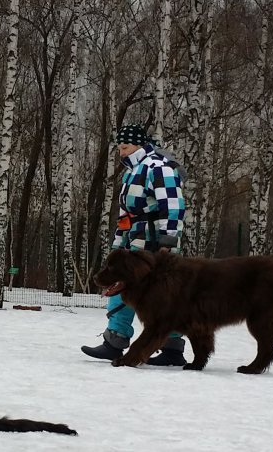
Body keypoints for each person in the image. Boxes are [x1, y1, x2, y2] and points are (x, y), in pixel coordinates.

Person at [81, 124, 187, 366]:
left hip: (154, 244)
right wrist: (118, 244)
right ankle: (116, 341)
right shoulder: (133, 170)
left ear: (139, 144)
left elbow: (173, 206)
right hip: (134, 240)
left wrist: (168, 242)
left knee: (162, 296)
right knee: (123, 287)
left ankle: (169, 348)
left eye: (125, 147)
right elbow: (126, 213)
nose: (121, 152)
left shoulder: (158, 167)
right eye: (119, 148)